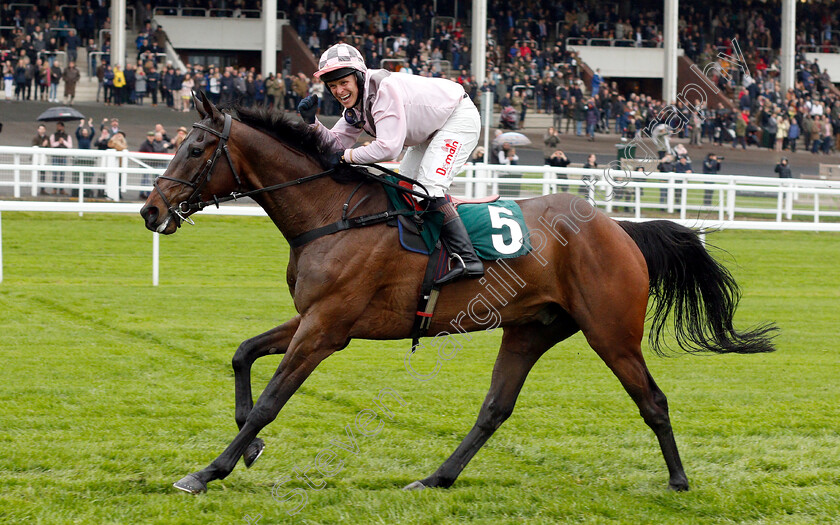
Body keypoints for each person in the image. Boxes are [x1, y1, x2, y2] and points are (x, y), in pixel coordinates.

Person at [298, 43, 483, 285]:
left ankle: (469, 259)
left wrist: (347, 157)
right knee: (403, 188)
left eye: (344, 83)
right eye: (333, 86)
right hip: (429, 132)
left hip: (457, 117)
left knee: (428, 187)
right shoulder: (358, 103)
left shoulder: (382, 89)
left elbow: (389, 147)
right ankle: (423, 252)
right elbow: (335, 144)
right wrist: (313, 123)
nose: (339, 91)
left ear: (358, 77)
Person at [49, 122, 73, 195]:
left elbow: (70, 145)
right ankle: (54, 188)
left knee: (62, 173)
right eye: (57, 126)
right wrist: (58, 142)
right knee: (55, 173)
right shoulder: (53, 135)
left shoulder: (67, 136)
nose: (58, 128)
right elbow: (51, 144)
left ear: (63, 127)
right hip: (55, 156)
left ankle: (61, 189)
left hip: (63, 156)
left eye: (59, 126)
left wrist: (63, 141)